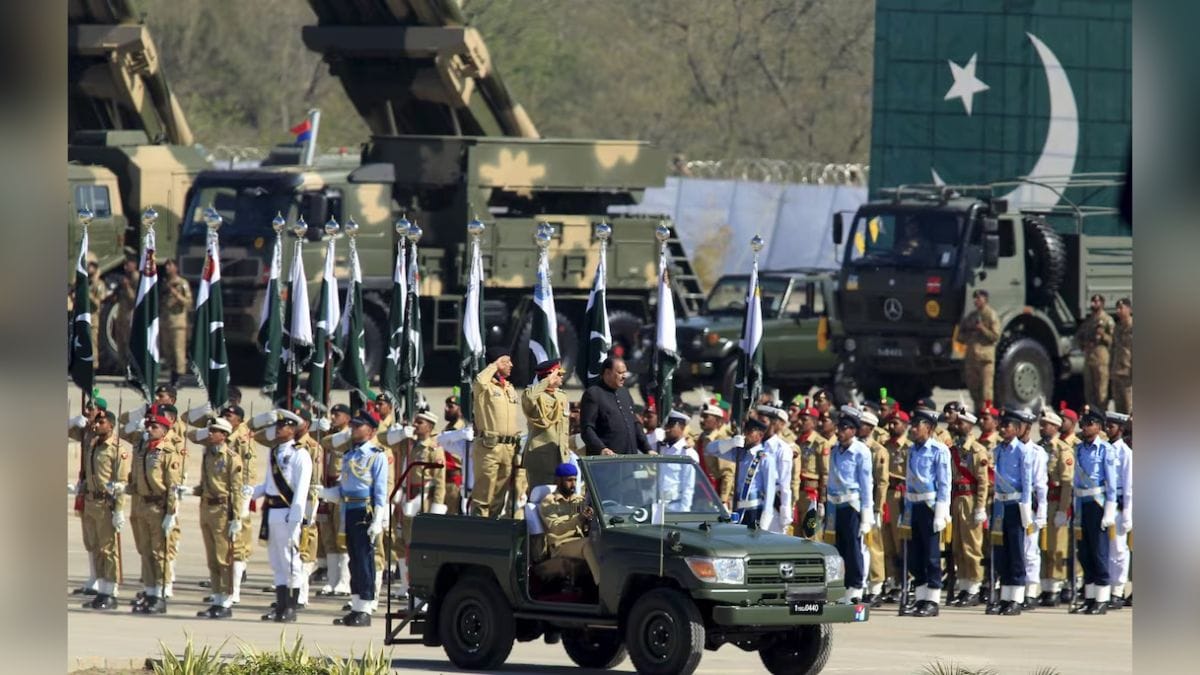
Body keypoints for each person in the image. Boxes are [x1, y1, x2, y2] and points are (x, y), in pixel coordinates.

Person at [323, 410, 387, 627]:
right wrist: (324, 493)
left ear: (371, 431)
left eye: (359, 426)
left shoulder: (376, 455)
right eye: (353, 425)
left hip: (364, 511)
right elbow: (344, 490)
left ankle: (366, 607)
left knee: (364, 559)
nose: (354, 429)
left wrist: (378, 519)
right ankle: (356, 604)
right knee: (353, 558)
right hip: (348, 509)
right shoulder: (350, 454)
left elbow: (380, 492)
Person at [252, 410, 312, 623]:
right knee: (277, 561)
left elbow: (301, 489)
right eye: (277, 426)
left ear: (293, 429)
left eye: (284, 426)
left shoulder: (300, 454)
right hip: (272, 511)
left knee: (291, 561)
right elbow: (270, 484)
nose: (279, 429)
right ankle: (280, 605)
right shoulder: (274, 452)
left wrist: (296, 518)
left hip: (288, 513)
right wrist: (253, 491)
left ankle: (291, 608)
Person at [72, 409, 131, 610]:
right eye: (95, 422)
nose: (96, 425)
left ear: (111, 426)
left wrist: (119, 510)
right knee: (96, 547)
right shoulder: (93, 445)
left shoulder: (117, 449)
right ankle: (101, 588)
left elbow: (121, 482)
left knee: (108, 549)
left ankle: (110, 590)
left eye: (101, 422)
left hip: (106, 504)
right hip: (90, 502)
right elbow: (90, 474)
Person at [386, 410, 448, 598]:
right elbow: (384, 440)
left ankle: (422, 588)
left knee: (420, 545)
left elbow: (439, 481)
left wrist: (437, 507)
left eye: (420, 422)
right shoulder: (409, 444)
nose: (416, 424)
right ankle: (406, 584)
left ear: (429, 427)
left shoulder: (434, 448)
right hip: (407, 497)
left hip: (424, 500)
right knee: (404, 542)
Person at [129, 413, 183, 614]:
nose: (149, 430)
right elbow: (137, 477)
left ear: (165, 430)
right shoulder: (143, 449)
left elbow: (172, 485)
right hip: (142, 505)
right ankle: (149, 592)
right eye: (149, 427)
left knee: (160, 553)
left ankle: (160, 594)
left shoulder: (168, 452)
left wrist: (171, 512)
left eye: (154, 427)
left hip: (159, 506)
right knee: (145, 550)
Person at [193, 418, 245, 619]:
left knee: (224, 558)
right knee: (212, 557)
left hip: (223, 510)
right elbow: (205, 483)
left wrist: (236, 517)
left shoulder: (232, 458)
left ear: (224, 435)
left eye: (215, 431)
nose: (210, 433)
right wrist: (191, 490)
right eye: (210, 430)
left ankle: (226, 599)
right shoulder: (208, 455)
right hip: (207, 507)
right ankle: (216, 597)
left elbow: (236, 490)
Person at [902, 408, 952, 617]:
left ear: (929, 428)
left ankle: (932, 600)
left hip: (931, 507)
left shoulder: (939, 450)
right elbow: (908, 481)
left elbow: (944, 483)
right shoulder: (912, 450)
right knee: (915, 555)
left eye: (917, 425)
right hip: (913, 506)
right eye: (913, 425)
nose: (913, 429)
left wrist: (942, 512)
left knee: (931, 556)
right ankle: (920, 597)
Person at [987, 409, 1036, 615]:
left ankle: (1016, 597)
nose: (1003, 429)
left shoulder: (1023, 452)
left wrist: (1026, 509)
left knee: (1016, 551)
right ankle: (1005, 596)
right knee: (1001, 551)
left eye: (1008, 426)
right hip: (1000, 505)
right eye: (1003, 425)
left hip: (1016, 505)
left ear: (1017, 430)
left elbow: (1027, 482)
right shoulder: (998, 450)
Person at [1071, 409, 1119, 615]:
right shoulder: (1079, 449)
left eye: (1090, 422)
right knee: (1085, 552)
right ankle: (1090, 598)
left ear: (1099, 427)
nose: (1085, 426)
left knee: (1099, 552)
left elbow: (1112, 483)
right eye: (1083, 422)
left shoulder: (1105, 450)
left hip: (1098, 504)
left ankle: (1101, 599)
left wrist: (1109, 510)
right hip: (1082, 502)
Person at [826, 408, 874, 604]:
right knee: (839, 548)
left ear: (854, 431)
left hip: (852, 504)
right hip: (834, 504)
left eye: (845, 428)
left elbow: (866, 484)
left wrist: (866, 515)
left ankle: (855, 587)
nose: (840, 431)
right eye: (839, 427)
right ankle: (842, 587)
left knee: (854, 548)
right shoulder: (835, 450)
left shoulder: (861, 451)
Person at [471, 351, 525, 517]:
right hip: (489, 448)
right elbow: (479, 380)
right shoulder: (485, 387)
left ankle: (492, 534)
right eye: (507, 362)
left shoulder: (509, 388)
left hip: (508, 449)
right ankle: (479, 534)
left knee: (499, 498)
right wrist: (494, 365)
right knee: (483, 496)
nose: (511, 365)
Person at [948, 410, 990, 607]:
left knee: (971, 545)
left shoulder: (976, 450)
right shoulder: (955, 449)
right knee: (958, 545)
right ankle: (964, 586)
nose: (957, 425)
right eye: (957, 422)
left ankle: (974, 586)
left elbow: (983, 482)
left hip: (970, 500)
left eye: (962, 423)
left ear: (970, 426)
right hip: (957, 499)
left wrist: (980, 506)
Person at [705, 418, 776, 529]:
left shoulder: (765, 458)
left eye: (749, 432)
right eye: (745, 431)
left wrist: (765, 519)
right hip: (738, 509)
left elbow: (770, 490)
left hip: (754, 510)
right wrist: (730, 442)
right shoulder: (741, 453)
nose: (745, 435)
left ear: (760, 435)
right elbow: (710, 449)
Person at [539, 463, 601, 586]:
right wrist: (579, 518)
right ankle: (602, 585)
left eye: (575, 480)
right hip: (561, 545)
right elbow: (555, 528)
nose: (573, 484)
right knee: (588, 544)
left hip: (579, 540)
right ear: (558, 480)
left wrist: (590, 516)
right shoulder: (549, 502)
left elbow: (586, 518)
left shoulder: (578, 500)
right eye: (569, 480)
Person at [1037, 409, 1075, 607]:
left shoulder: (1062, 449)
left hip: (1056, 502)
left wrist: (1063, 509)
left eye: (1046, 424)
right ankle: (1045, 586)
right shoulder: (1038, 448)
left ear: (1056, 427)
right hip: (1041, 503)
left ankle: (1057, 586)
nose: (1042, 427)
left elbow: (1067, 483)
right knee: (1043, 547)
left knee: (1056, 547)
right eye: (1041, 424)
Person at [580, 356, 652, 456]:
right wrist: (601, 449)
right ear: (607, 373)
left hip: (630, 459)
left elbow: (634, 423)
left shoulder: (624, 392)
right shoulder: (593, 394)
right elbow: (587, 429)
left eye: (625, 372)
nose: (624, 376)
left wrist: (647, 449)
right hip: (607, 461)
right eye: (620, 373)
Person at [317, 403, 353, 597]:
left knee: (342, 538)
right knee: (328, 537)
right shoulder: (329, 434)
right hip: (326, 489)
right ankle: (332, 580)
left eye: (337, 415)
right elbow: (323, 443)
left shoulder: (349, 436)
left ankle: (344, 581)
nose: (332, 418)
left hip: (342, 490)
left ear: (347, 417)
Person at [856, 409, 889, 606]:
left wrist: (877, 508)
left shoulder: (878, 450)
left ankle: (875, 588)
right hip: (854, 503)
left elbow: (882, 482)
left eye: (862, 424)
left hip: (871, 504)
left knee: (873, 545)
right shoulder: (853, 446)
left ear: (870, 427)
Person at [522, 359, 571, 490]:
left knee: (561, 498)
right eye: (558, 374)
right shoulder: (534, 395)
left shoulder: (562, 396)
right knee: (541, 498)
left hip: (560, 457)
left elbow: (564, 430)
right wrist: (546, 381)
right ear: (551, 375)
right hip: (541, 459)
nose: (562, 377)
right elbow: (529, 398)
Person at [1017, 410, 1049, 610]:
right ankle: (1015, 591)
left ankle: (1030, 591)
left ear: (1027, 428)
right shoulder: (1008, 449)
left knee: (1030, 550)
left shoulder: (1037, 453)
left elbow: (1041, 485)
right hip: (1011, 503)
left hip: (1029, 506)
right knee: (1014, 549)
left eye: (1018, 425)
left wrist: (1042, 512)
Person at [881, 406, 912, 602]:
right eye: (891, 422)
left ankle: (906, 581)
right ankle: (892, 580)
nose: (892, 426)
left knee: (902, 541)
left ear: (906, 426)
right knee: (887, 541)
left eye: (896, 423)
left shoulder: (909, 447)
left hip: (901, 497)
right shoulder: (885, 446)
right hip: (886, 496)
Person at [1104, 412, 1133, 609]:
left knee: (1119, 549)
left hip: (1120, 504)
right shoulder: (1104, 449)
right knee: (1104, 548)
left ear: (1120, 429)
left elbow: (1129, 485)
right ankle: (1106, 588)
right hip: (1103, 502)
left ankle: (1117, 589)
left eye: (1111, 426)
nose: (1107, 429)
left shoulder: (1126, 453)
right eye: (1106, 425)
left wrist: (1128, 512)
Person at [958, 290, 1001, 413]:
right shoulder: (971, 316)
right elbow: (960, 335)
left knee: (986, 389)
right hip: (971, 357)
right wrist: (969, 334)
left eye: (979, 298)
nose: (976, 301)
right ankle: (978, 411)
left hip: (985, 358)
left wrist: (983, 329)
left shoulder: (991, 315)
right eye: (975, 298)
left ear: (985, 300)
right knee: (973, 387)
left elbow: (995, 336)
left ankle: (987, 413)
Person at [792, 405, 829, 540]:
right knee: (795, 534)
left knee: (811, 534)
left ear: (813, 422)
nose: (800, 422)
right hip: (797, 493)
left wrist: (822, 501)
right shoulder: (796, 442)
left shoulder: (820, 443)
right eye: (800, 419)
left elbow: (825, 473)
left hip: (811, 495)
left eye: (805, 420)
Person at [1077, 294, 1114, 412]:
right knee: (1089, 391)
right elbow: (1079, 336)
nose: (1094, 304)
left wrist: (1103, 335)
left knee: (1101, 392)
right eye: (1093, 301)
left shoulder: (1107, 320)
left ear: (1102, 304)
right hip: (1089, 359)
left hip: (1101, 359)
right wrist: (1082, 344)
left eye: (1097, 301)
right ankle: (1092, 414)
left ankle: (1102, 415)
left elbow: (1113, 341)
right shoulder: (1089, 321)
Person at [656, 411, 700, 511]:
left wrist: (684, 511)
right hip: (658, 504)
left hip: (675, 506)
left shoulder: (687, 453)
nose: (667, 430)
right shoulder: (663, 449)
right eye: (667, 426)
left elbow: (688, 486)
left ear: (681, 427)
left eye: (671, 426)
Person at [158, 259, 192, 388]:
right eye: (166, 265)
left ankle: (178, 378)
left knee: (178, 351)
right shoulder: (165, 284)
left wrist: (176, 295)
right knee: (168, 352)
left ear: (176, 267)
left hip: (178, 323)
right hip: (166, 322)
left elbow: (188, 303)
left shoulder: (182, 284)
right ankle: (172, 375)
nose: (167, 267)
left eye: (170, 265)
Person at [696, 403, 734, 509]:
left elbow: (727, 473)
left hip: (715, 494)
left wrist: (723, 500)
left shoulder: (722, 440)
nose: (702, 420)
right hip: (701, 492)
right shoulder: (701, 438)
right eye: (702, 417)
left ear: (718, 421)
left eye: (706, 417)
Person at [112, 257, 139, 371]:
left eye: (128, 264)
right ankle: (125, 369)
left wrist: (127, 286)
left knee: (129, 345)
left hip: (130, 316)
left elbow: (134, 299)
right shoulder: (125, 278)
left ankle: (133, 369)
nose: (125, 267)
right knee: (121, 345)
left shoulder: (136, 278)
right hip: (121, 316)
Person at [441, 394, 467, 514]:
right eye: (446, 406)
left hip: (456, 480)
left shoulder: (462, 430)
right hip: (444, 478)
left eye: (451, 406)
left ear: (460, 410)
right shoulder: (448, 429)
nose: (446, 409)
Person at [1109, 298, 1132, 414]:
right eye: (1117, 308)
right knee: (1118, 407)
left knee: (1129, 407)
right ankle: (1121, 431)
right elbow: (1113, 349)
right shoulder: (1117, 327)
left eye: (1121, 308)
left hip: (1128, 373)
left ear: (1129, 309)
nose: (1118, 311)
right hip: (1116, 371)